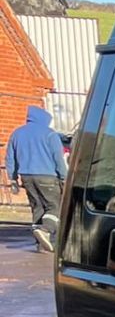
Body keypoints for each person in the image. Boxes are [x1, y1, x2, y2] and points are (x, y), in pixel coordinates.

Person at [6, 104, 67, 253]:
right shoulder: (50, 134)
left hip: (26, 177)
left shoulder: (17, 133)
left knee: (37, 207)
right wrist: (64, 178)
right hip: (47, 176)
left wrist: (13, 179)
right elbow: (58, 158)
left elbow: (10, 158)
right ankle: (45, 230)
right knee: (54, 207)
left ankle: (40, 244)